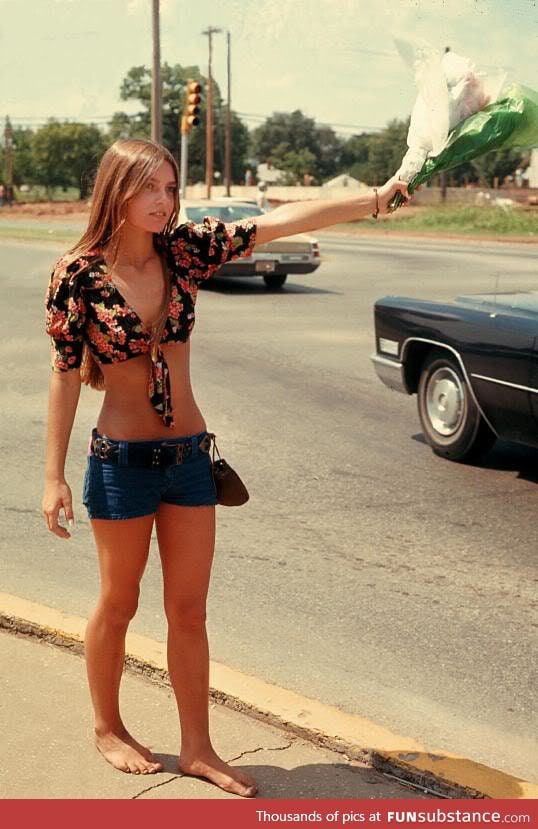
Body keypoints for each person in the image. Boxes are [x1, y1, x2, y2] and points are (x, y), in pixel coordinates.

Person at [41, 137, 409, 797]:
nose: (163, 201)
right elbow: (65, 375)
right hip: (120, 461)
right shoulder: (78, 272)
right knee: (118, 602)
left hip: (188, 458)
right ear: (115, 192)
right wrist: (52, 475)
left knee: (189, 609)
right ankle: (108, 725)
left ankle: (198, 746)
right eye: (148, 188)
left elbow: (280, 223)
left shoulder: (185, 250)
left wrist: (376, 198)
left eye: (169, 187)